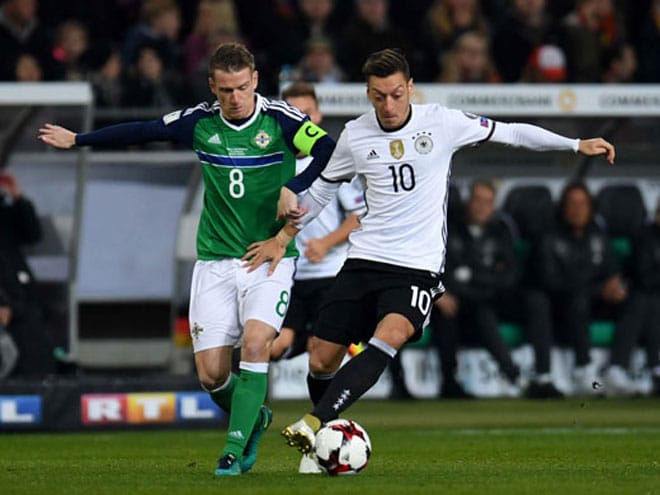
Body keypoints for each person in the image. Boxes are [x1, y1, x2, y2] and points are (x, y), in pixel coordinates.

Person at [243, 48, 615, 458]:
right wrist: (283, 235)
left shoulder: (442, 122)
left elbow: (512, 132)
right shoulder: (354, 135)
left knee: (390, 336)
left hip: (417, 267)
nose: (389, 104)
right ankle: (326, 444)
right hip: (364, 259)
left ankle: (314, 423)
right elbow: (322, 192)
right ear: (368, 93)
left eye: (396, 94)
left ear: (410, 89)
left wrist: (575, 143)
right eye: (379, 96)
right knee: (320, 359)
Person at [37, 42, 336, 476]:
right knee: (212, 376)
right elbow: (141, 130)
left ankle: (233, 452)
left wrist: (297, 182)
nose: (235, 98)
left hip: (270, 257)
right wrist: (79, 139)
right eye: (226, 89)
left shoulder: (282, 119)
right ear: (212, 86)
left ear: (254, 80)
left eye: (242, 87)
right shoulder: (199, 121)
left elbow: (327, 149)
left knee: (255, 345)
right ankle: (252, 417)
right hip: (214, 261)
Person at [271, 82, 365, 365]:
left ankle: (388, 381)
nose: (302, 121)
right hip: (288, 273)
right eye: (294, 114)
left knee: (323, 351)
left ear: (319, 116)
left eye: (307, 113)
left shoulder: (335, 162)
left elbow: (360, 216)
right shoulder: (273, 163)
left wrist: (325, 243)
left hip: (329, 273)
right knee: (273, 348)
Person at [534, 182, 627, 395]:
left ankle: (619, 369)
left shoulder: (597, 235)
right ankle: (583, 369)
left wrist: (616, 286)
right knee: (577, 300)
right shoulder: (549, 236)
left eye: (583, 204)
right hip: (561, 305)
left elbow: (612, 271)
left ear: (591, 207)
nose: (578, 210)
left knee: (638, 300)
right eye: (572, 204)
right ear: (563, 207)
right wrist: (597, 289)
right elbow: (552, 282)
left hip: (595, 301)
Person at [430, 179, 521, 398]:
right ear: (468, 201)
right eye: (477, 200)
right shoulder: (448, 228)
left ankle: (513, 375)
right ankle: (449, 382)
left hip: (486, 302)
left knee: (483, 311)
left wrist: (471, 276)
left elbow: (508, 277)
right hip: (452, 302)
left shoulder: (501, 232)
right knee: (446, 313)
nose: (481, 206)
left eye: (487, 202)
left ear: (494, 206)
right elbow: (440, 270)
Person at [602, 200, 660, 397]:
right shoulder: (644, 237)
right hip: (642, 297)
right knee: (645, 300)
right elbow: (644, 277)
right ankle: (632, 367)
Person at [0, 171, 49, 377]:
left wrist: (18, 197)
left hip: (18, 296)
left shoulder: (5, 210)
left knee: (30, 355)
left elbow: (33, 234)